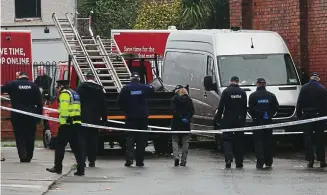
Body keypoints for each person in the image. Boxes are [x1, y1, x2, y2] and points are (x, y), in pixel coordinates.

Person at [1, 72, 43, 162]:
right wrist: (39, 117)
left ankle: (22, 155)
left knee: (19, 135)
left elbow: (1, 89)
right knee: (30, 136)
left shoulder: (13, 84)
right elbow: (40, 103)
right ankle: (29, 156)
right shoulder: (34, 86)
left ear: (18, 77)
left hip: (17, 115)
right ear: (27, 77)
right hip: (31, 115)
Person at [46, 80, 85, 176]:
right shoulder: (74, 93)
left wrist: (62, 123)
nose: (57, 89)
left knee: (59, 145)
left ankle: (57, 167)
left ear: (61, 86)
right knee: (77, 147)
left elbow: (64, 110)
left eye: (57, 87)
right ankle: (81, 169)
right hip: (76, 123)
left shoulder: (64, 94)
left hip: (67, 124)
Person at [117, 72, 155, 167]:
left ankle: (129, 159)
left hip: (130, 118)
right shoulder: (144, 88)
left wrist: (125, 110)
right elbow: (153, 91)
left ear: (131, 79)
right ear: (138, 79)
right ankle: (140, 161)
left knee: (130, 139)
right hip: (142, 118)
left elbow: (119, 102)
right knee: (141, 141)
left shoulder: (125, 89)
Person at [214, 76, 247, 168]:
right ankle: (239, 162)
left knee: (227, 139)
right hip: (239, 119)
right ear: (238, 82)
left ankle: (228, 158)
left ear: (230, 81)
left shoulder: (226, 92)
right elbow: (245, 108)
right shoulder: (242, 92)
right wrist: (243, 120)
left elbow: (221, 107)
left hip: (228, 119)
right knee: (239, 141)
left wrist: (218, 118)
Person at [296, 72, 327, 168]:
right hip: (319, 116)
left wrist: (299, 116)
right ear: (318, 78)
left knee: (308, 138)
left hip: (307, 116)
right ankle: (322, 160)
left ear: (311, 78)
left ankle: (310, 160)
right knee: (320, 138)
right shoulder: (322, 89)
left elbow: (299, 102)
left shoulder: (304, 88)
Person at [76, 72, 107, 168]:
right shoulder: (99, 89)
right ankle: (92, 160)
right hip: (95, 118)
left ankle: (82, 160)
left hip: (83, 118)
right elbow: (103, 105)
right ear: (93, 78)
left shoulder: (80, 88)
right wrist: (104, 118)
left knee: (82, 140)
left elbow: (76, 102)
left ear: (85, 77)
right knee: (93, 140)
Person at [248, 78, 279, 169]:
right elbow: (276, 107)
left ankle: (260, 162)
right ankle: (269, 161)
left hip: (257, 121)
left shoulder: (253, 96)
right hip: (268, 121)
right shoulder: (271, 95)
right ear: (265, 84)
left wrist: (258, 115)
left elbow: (251, 109)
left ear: (257, 84)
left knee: (258, 143)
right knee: (268, 142)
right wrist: (269, 114)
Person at [171, 85, 195, 166]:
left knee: (175, 141)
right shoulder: (189, 100)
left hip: (176, 123)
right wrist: (186, 118)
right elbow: (192, 111)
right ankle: (184, 160)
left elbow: (173, 111)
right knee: (185, 142)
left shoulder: (174, 99)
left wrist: (180, 117)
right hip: (186, 124)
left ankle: (176, 156)